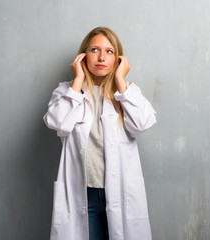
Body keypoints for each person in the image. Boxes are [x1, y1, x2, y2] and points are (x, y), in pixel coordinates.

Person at [43, 26, 157, 240]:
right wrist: (77, 82)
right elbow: (57, 122)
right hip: (83, 193)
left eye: (109, 51)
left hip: (120, 192)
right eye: (95, 50)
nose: (102, 57)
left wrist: (121, 82)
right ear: (83, 56)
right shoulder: (68, 91)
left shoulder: (126, 93)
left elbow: (142, 124)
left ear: (118, 59)